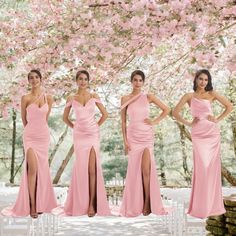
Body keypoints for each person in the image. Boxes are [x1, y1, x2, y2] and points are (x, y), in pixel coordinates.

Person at [172, 69, 233, 218]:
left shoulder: (212, 94)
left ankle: (212, 206)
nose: (203, 82)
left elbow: (229, 106)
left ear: (208, 81)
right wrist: (188, 123)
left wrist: (217, 119)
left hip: (212, 133)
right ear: (196, 80)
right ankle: (200, 206)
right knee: (202, 167)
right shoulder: (189, 96)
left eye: (206, 80)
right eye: (200, 79)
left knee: (211, 168)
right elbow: (175, 112)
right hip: (198, 133)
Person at [1, 69, 57, 218]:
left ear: (41, 79)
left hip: (43, 136)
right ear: (28, 81)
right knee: (32, 169)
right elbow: (24, 120)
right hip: (30, 136)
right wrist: (30, 132)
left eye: (36, 77)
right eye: (31, 78)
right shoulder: (25, 98)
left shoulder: (48, 98)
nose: (34, 80)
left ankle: (41, 203)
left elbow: (45, 118)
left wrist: (41, 130)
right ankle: (32, 205)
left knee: (42, 170)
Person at [120, 70, 170, 217]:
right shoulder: (125, 98)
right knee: (134, 170)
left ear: (143, 82)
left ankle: (148, 202)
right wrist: (125, 141)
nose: (137, 83)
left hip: (147, 135)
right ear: (131, 81)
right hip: (133, 135)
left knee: (147, 170)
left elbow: (166, 109)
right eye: (135, 80)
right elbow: (123, 121)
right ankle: (136, 203)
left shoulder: (148, 96)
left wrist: (154, 121)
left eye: (140, 80)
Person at [62, 70, 110, 217]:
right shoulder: (71, 97)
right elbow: (65, 118)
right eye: (80, 79)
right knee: (81, 169)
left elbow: (105, 114)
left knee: (92, 169)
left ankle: (92, 204)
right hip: (79, 136)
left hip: (92, 134)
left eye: (85, 79)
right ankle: (82, 203)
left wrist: (95, 126)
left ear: (88, 81)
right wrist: (75, 127)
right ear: (76, 81)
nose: (83, 81)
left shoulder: (94, 96)